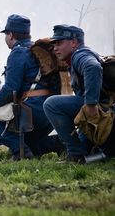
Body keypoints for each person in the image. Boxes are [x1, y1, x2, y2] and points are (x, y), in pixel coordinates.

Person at [0, 15, 63, 160]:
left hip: (32, 112)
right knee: (29, 143)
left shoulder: (18, 52)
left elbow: (11, 88)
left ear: (10, 35)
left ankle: (21, 153)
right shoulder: (36, 49)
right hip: (50, 111)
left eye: (6, 34)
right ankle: (56, 143)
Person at [43, 25, 113, 163]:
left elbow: (93, 67)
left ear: (74, 42)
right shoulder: (79, 55)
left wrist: (90, 104)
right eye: (54, 44)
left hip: (100, 110)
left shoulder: (80, 55)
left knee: (51, 104)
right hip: (103, 111)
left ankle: (75, 155)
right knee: (84, 146)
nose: (55, 48)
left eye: (59, 43)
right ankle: (83, 154)